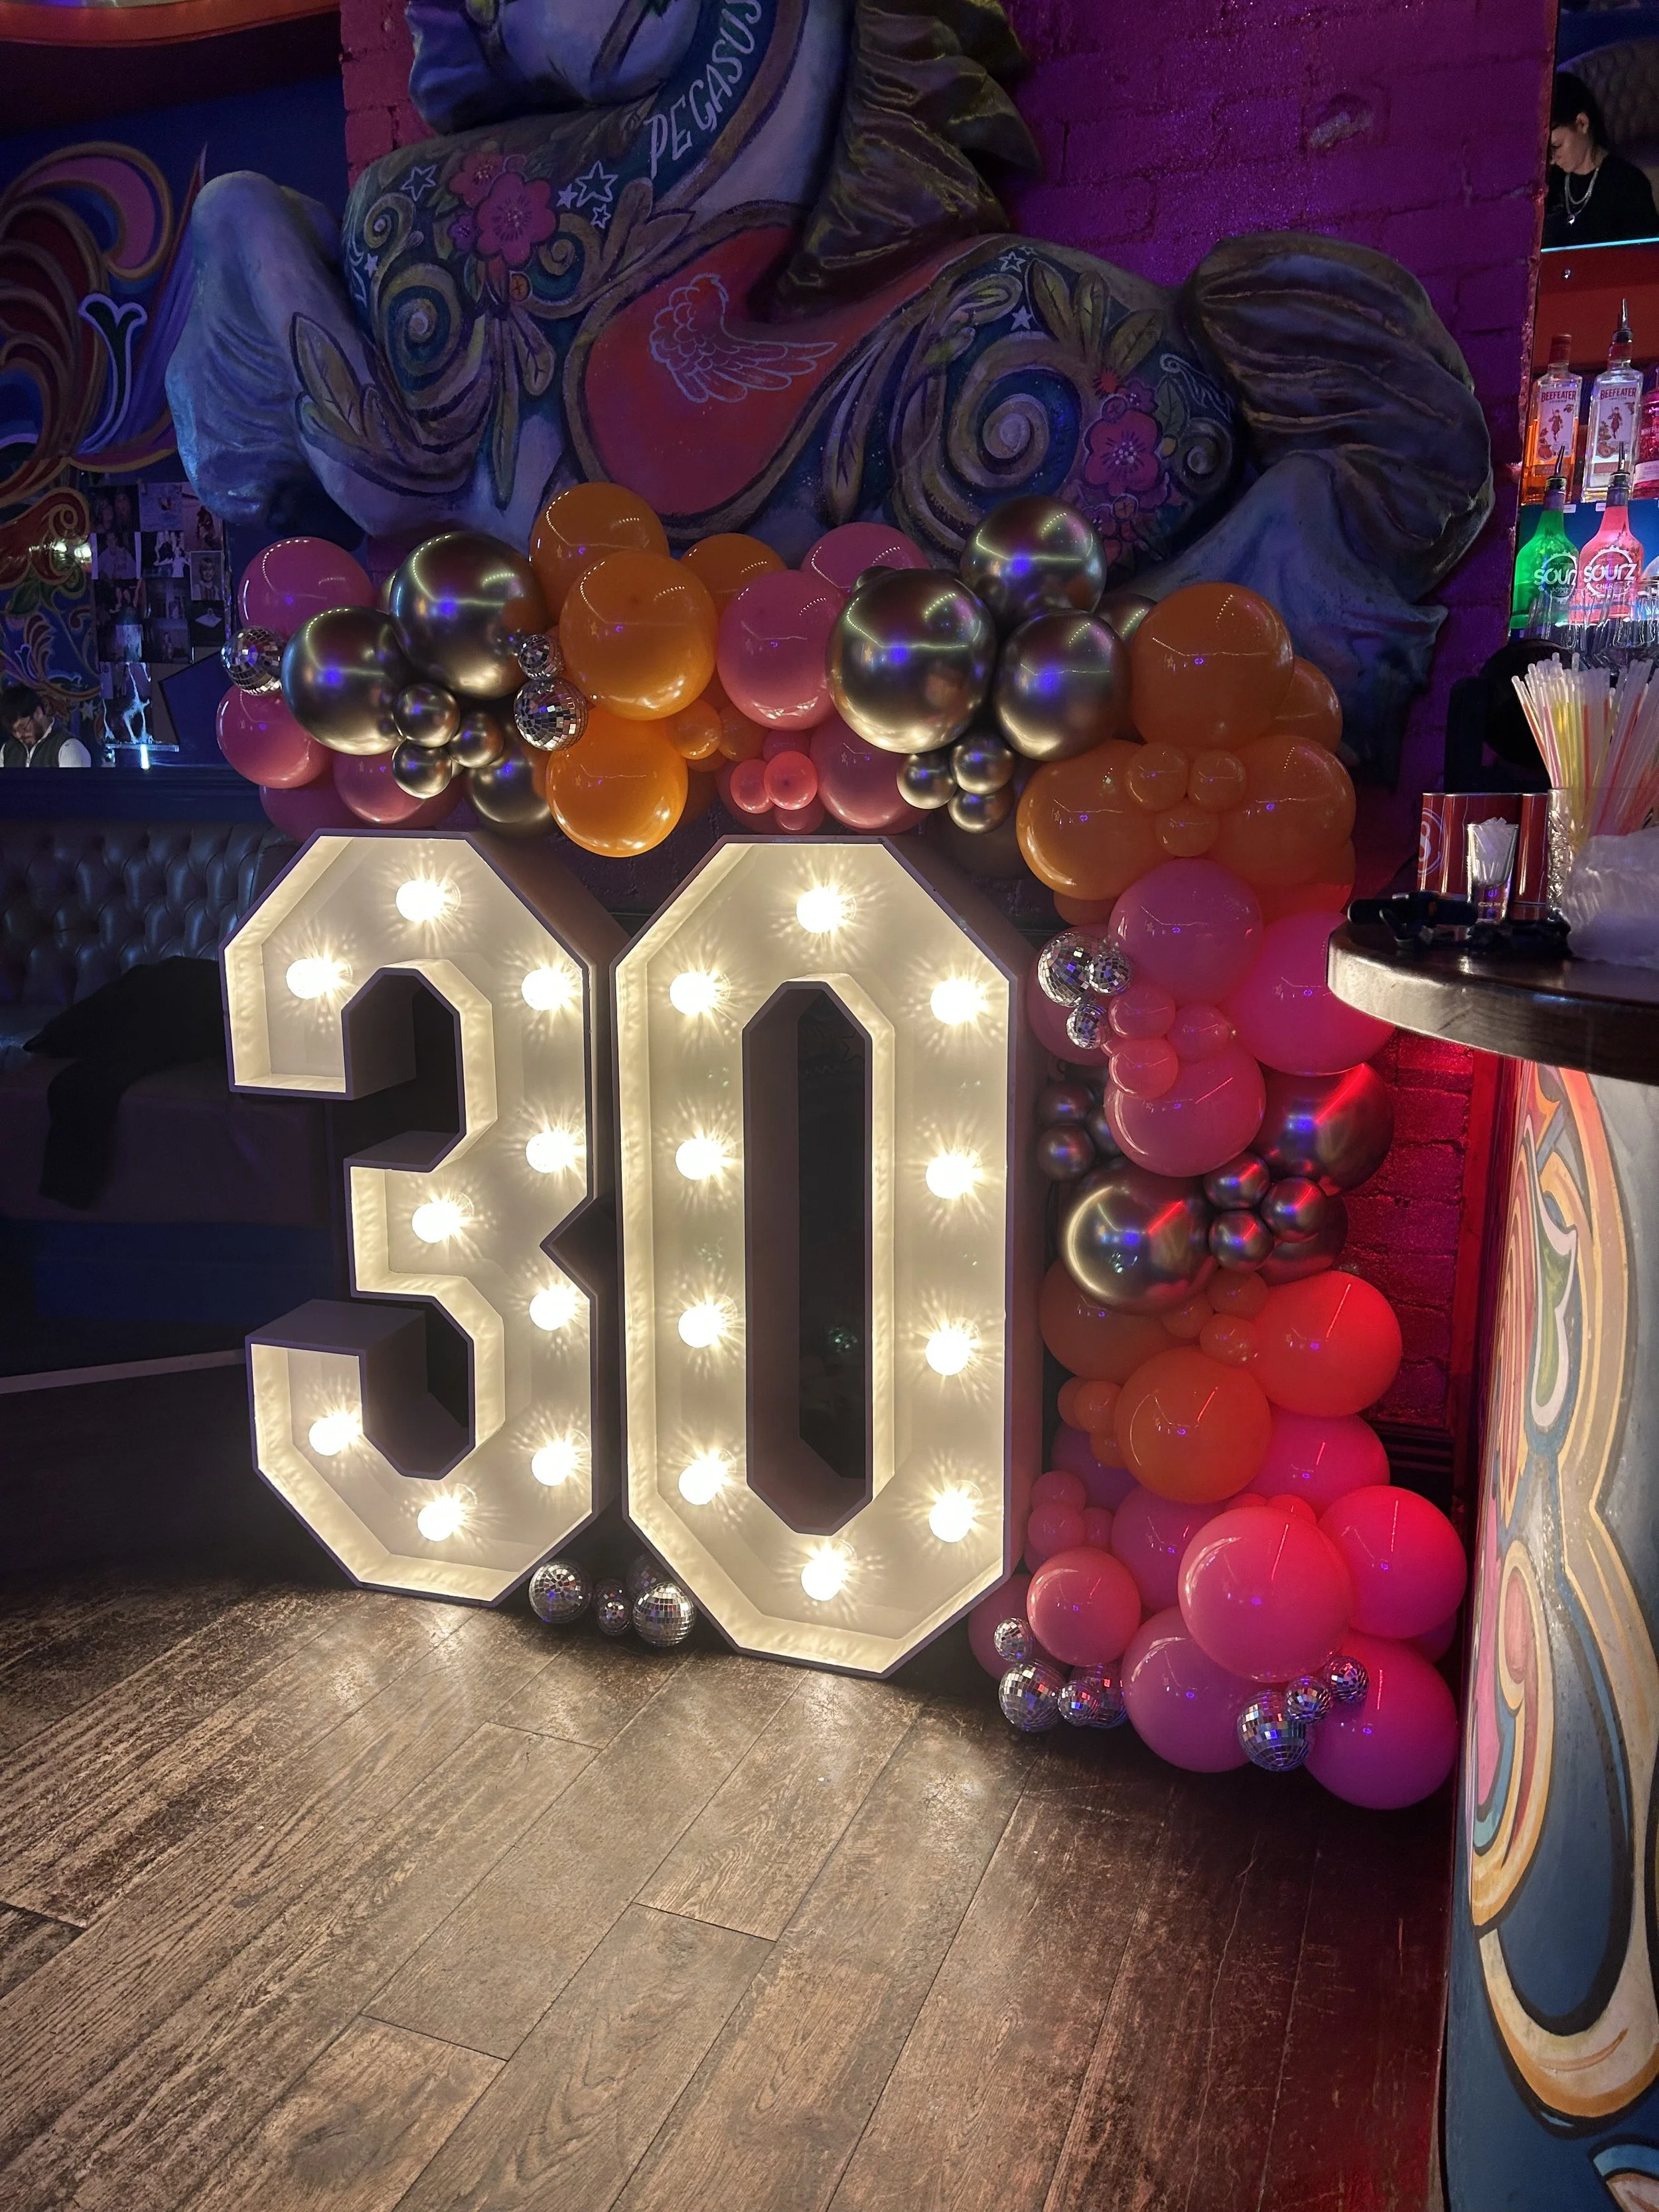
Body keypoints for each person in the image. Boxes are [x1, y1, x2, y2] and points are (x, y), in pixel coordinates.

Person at [1544, 72, 1659, 247]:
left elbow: (1642, 262)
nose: (1551, 160)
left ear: (1582, 123)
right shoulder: (1550, 183)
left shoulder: (1628, 185)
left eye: (1557, 146)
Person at [1, 685, 92, 767]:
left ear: (38, 713)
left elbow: (74, 785)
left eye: (23, 727)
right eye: (14, 731)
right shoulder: (7, 750)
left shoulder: (69, 748)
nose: (19, 735)